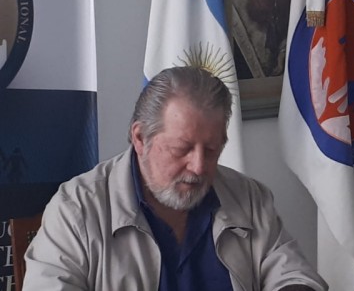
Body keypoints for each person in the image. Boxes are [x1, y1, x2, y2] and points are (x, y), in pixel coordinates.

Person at [23, 66, 327, 291]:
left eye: (212, 150)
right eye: (181, 149)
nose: (198, 167)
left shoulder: (248, 197)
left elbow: (293, 273)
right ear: (140, 137)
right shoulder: (76, 210)